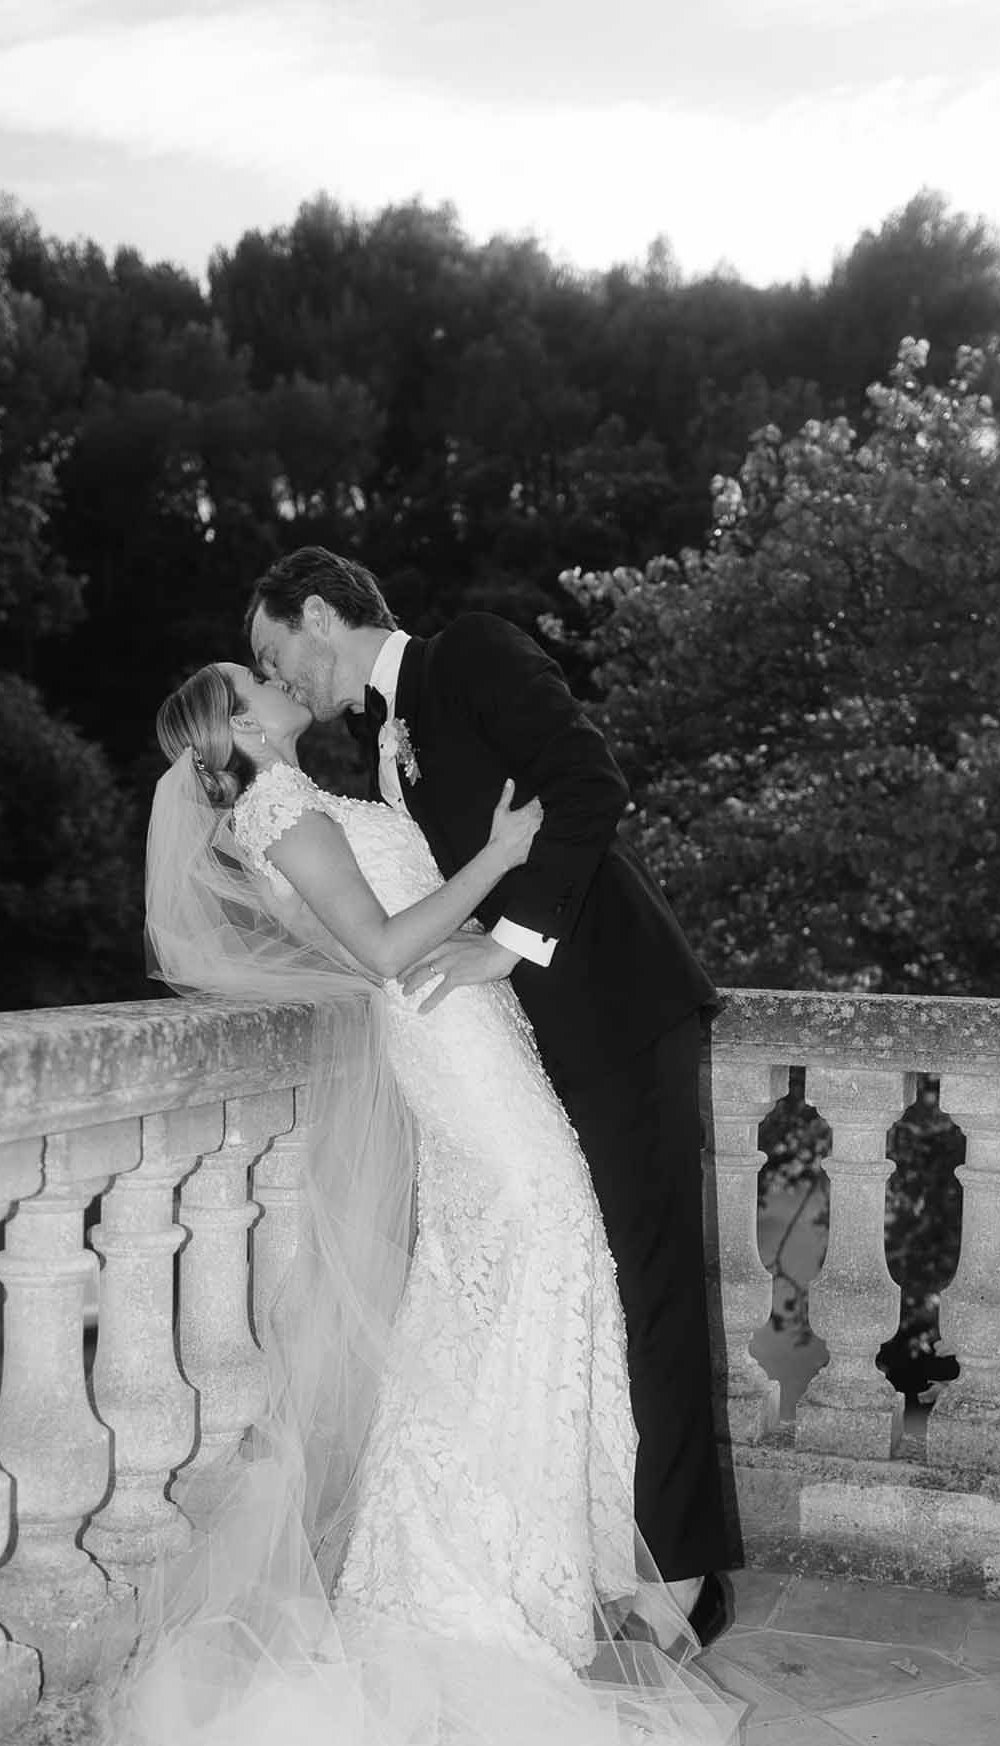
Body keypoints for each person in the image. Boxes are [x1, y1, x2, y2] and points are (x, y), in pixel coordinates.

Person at [77, 659, 781, 1746]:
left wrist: (446, 841)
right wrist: (500, 855)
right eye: (254, 680)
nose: (276, 679)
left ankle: (507, 1562)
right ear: (239, 726)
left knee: (494, 1287)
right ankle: (486, 1579)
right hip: (451, 1040)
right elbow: (386, 946)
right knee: (545, 1244)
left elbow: (390, 914)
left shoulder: (303, 796)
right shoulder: (280, 811)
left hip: (475, 1036)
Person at [245, 549, 730, 1643]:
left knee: (651, 1287)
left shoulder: (468, 650)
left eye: (277, 654)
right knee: (593, 1286)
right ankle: (599, 1551)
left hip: (618, 1008)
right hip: (529, 1046)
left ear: (318, 613)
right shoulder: (380, 741)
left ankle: (686, 1584)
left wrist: (509, 944)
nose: (283, 680)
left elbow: (589, 781)